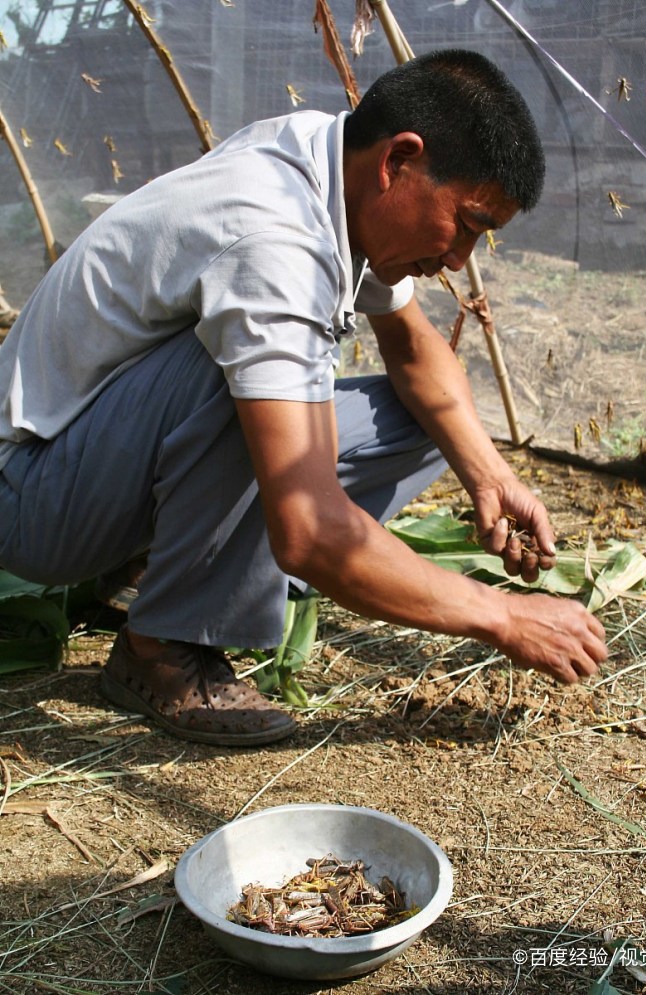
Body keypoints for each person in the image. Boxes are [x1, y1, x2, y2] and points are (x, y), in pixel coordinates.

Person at [0, 49, 607, 747]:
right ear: (399, 162)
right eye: (466, 223)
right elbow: (310, 529)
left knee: (421, 420)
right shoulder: (274, 237)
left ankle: (165, 561)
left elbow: (414, 352)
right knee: (251, 382)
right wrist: (503, 615)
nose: (458, 259)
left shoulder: (331, 165)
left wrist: (492, 477)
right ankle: (160, 649)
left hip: (107, 460)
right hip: (36, 493)